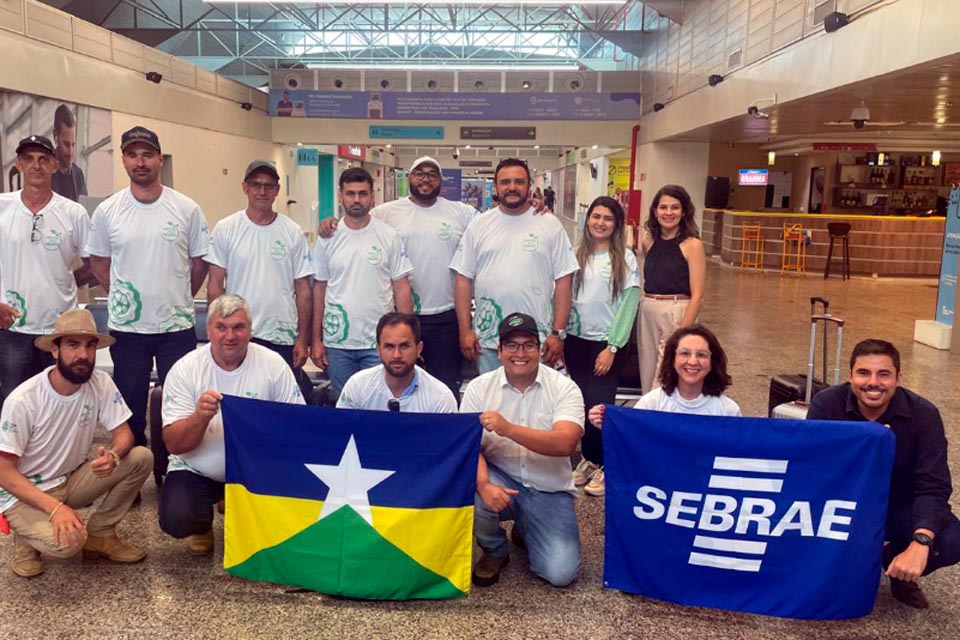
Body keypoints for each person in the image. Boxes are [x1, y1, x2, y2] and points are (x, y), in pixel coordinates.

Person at [85, 126, 209, 460]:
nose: (140, 162)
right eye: (132, 155)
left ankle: (176, 466)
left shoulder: (186, 208)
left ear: (159, 159)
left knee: (179, 404)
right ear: (124, 160)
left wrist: (180, 295)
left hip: (176, 329)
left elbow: (200, 263)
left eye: (147, 155)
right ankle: (134, 468)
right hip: (128, 331)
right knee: (130, 406)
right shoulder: (108, 211)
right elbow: (98, 261)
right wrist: (122, 296)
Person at [807, 339, 960, 609]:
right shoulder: (827, 405)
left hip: (899, 505)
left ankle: (897, 566)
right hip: (843, 502)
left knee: (951, 540)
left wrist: (921, 541)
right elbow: (812, 468)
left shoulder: (923, 415)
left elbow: (933, 485)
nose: (873, 382)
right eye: (863, 373)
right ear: (850, 375)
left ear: (898, 378)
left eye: (884, 374)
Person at [0, 309, 152, 577]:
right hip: (24, 492)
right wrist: (55, 508)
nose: (83, 354)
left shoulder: (100, 382)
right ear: (55, 350)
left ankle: (101, 534)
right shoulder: (24, 399)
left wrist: (114, 456)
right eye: (72, 345)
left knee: (141, 457)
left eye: (89, 345)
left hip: (68, 481)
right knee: (69, 544)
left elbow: (124, 434)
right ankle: (25, 543)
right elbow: (3, 471)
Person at [318, 157, 475, 399]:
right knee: (392, 391)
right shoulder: (386, 212)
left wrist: (531, 207)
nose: (425, 179)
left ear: (441, 180)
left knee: (443, 389)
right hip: (399, 321)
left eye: (432, 174)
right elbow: (356, 222)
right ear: (409, 177)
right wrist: (330, 223)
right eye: (419, 173)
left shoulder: (461, 212)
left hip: (445, 317)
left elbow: (494, 221)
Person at [158, 294, 304, 555]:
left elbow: (297, 427)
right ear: (208, 331)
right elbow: (175, 444)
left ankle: (240, 504)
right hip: (198, 469)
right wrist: (199, 417)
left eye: (238, 327)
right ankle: (202, 524)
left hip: (257, 469)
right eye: (221, 327)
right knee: (179, 518)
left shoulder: (273, 364)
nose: (230, 336)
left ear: (250, 330)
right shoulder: (185, 369)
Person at [461, 312, 584, 588]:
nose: (520, 353)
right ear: (500, 351)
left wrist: (508, 429)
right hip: (499, 477)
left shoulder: (564, 388)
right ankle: (495, 550)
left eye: (528, 345)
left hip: (549, 489)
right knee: (471, 489)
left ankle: (526, 526)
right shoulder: (479, 389)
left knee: (561, 574)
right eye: (512, 345)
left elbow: (565, 442)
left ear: (540, 350)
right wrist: (483, 484)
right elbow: (467, 448)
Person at [452, 158, 578, 375]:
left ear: (529, 186)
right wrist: (465, 330)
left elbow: (564, 281)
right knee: (491, 396)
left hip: (537, 341)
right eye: (505, 182)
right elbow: (463, 279)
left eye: (519, 182)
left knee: (536, 395)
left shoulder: (550, 224)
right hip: (488, 341)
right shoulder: (479, 225)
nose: (512, 187)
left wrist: (558, 333)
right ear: (496, 187)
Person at [0, 135, 92, 405]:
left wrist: (64, 282)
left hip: (61, 328)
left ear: (55, 165)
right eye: (28, 159)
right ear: (19, 164)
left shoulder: (73, 213)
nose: (36, 165)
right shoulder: (2, 207)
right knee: (15, 403)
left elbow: (93, 265)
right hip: (13, 328)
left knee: (61, 402)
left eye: (43, 160)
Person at [205, 160, 313, 391]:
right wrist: (218, 330)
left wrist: (302, 339)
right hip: (238, 333)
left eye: (268, 186)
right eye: (256, 185)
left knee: (280, 401)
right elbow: (214, 285)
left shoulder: (292, 232)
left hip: (281, 335)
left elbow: (303, 289)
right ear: (245, 187)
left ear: (277, 190)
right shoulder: (226, 229)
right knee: (238, 396)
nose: (262, 191)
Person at [310, 167, 414, 399]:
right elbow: (319, 289)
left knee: (382, 403)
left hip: (381, 342)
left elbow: (401, 288)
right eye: (350, 193)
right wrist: (315, 340)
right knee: (344, 405)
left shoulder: (388, 236)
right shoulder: (327, 238)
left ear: (372, 197)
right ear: (340, 196)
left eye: (362, 193)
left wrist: (409, 337)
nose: (356, 199)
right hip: (338, 343)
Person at [566, 197, 640, 497]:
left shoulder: (625, 258)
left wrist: (613, 347)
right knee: (583, 404)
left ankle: (607, 464)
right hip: (576, 340)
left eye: (608, 218)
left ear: (616, 224)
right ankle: (590, 458)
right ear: (587, 220)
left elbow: (629, 303)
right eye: (596, 216)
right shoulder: (576, 253)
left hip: (607, 344)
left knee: (600, 405)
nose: (600, 222)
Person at [589, 324, 740, 433]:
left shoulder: (728, 410)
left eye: (701, 355)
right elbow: (632, 438)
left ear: (712, 362)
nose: (693, 362)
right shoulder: (651, 403)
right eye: (685, 353)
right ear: (672, 359)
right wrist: (610, 423)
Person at [637, 185, 706, 393]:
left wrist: (683, 331)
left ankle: (661, 412)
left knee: (665, 377)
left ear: (684, 212)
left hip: (676, 309)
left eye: (675, 207)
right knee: (647, 375)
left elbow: (698, 295)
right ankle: (648, 411)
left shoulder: (692, 245)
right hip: (648, 309)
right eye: (663, 207)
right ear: (655, 211)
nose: (668, 213)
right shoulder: (648, 242)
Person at [337, 312, 456, 413]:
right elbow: (341, 429)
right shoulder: (357, 385)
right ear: (378, 349)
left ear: (419, 349)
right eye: (389, 347)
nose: (397, 355)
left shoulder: (441, 397)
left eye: (404, 346)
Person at [50, 104, 87, 202]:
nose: (70, 152)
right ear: (55, 137)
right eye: (66, 144)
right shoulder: (44, 171)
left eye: (73, 145)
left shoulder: (79, 175)